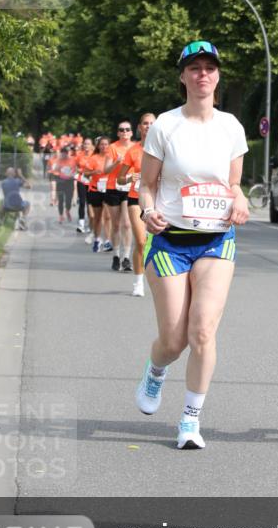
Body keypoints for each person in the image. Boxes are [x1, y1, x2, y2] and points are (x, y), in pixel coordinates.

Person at [136, 41, 249, 449]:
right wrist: (148, 213)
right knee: (174, 339)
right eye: (195, 68)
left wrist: (240, 198)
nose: (203, 74)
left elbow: (234, 184)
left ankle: (190, 420)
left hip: (217, 241)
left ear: (218, 77)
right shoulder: (165, 126)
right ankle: (155, 369)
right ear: (182, 76)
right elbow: (146, 186)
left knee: (202, 331)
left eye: (210, 68)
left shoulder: (231, 127)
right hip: (170, 242)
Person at [116, 113, 156, 296]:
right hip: (135, 199)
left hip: (157, 200)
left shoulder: (163, 149)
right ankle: (139, 282)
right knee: (141, 241)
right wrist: (130, 177)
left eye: (152, 123)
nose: (148, 126)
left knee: (157, 243)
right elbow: (120, 178)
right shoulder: (133, 151)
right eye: (145, 123)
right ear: (139, 127)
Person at [104, 120, 135, 272]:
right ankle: (116, 255)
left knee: (127, 224)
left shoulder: (135, 148)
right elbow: (106, 170)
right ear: (118, 133)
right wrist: (116, 163)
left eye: (127, 129)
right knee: (115, 224)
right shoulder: (112, 148)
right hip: (113, 187)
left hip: (129, 188)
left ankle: (127, 257)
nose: (124, 132)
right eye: (121, 130)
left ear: (131, 132)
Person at [82, 136, 112, 253]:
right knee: (97, 217)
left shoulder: (111, 159)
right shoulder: (94, 158)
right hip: (95, 190)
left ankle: (108, 240)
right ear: (98, 146)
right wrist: (94, 172)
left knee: (108, 216)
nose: (104, 146)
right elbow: (85, 173)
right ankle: (97, 239)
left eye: (106, 144)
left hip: (108, 189)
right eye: (102, 144)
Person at [74, 136, 94, 234]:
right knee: (82, 202)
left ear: (91, 146)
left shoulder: (94, 155)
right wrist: (80, 171)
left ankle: (91, 225)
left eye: (88, 144)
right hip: (81, 180)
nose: (86, 145)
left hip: (92, 182)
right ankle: (81, 225)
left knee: (90, 204)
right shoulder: (79, 155)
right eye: (85, 144)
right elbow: (76, 167)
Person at [52, 146, 76, 224]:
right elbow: (54, 169)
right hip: (61, 181)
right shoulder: (59, 160)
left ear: (68, 153)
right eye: (63, 153)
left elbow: (76, 170)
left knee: (69, 199)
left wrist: (73, 174)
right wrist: (58, 167)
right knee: (61, 199)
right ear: (61, 153)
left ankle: (67, 210)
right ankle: (61, 216)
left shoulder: (72, 160)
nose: (64, 154)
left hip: (70, 181)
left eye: (66, 152)